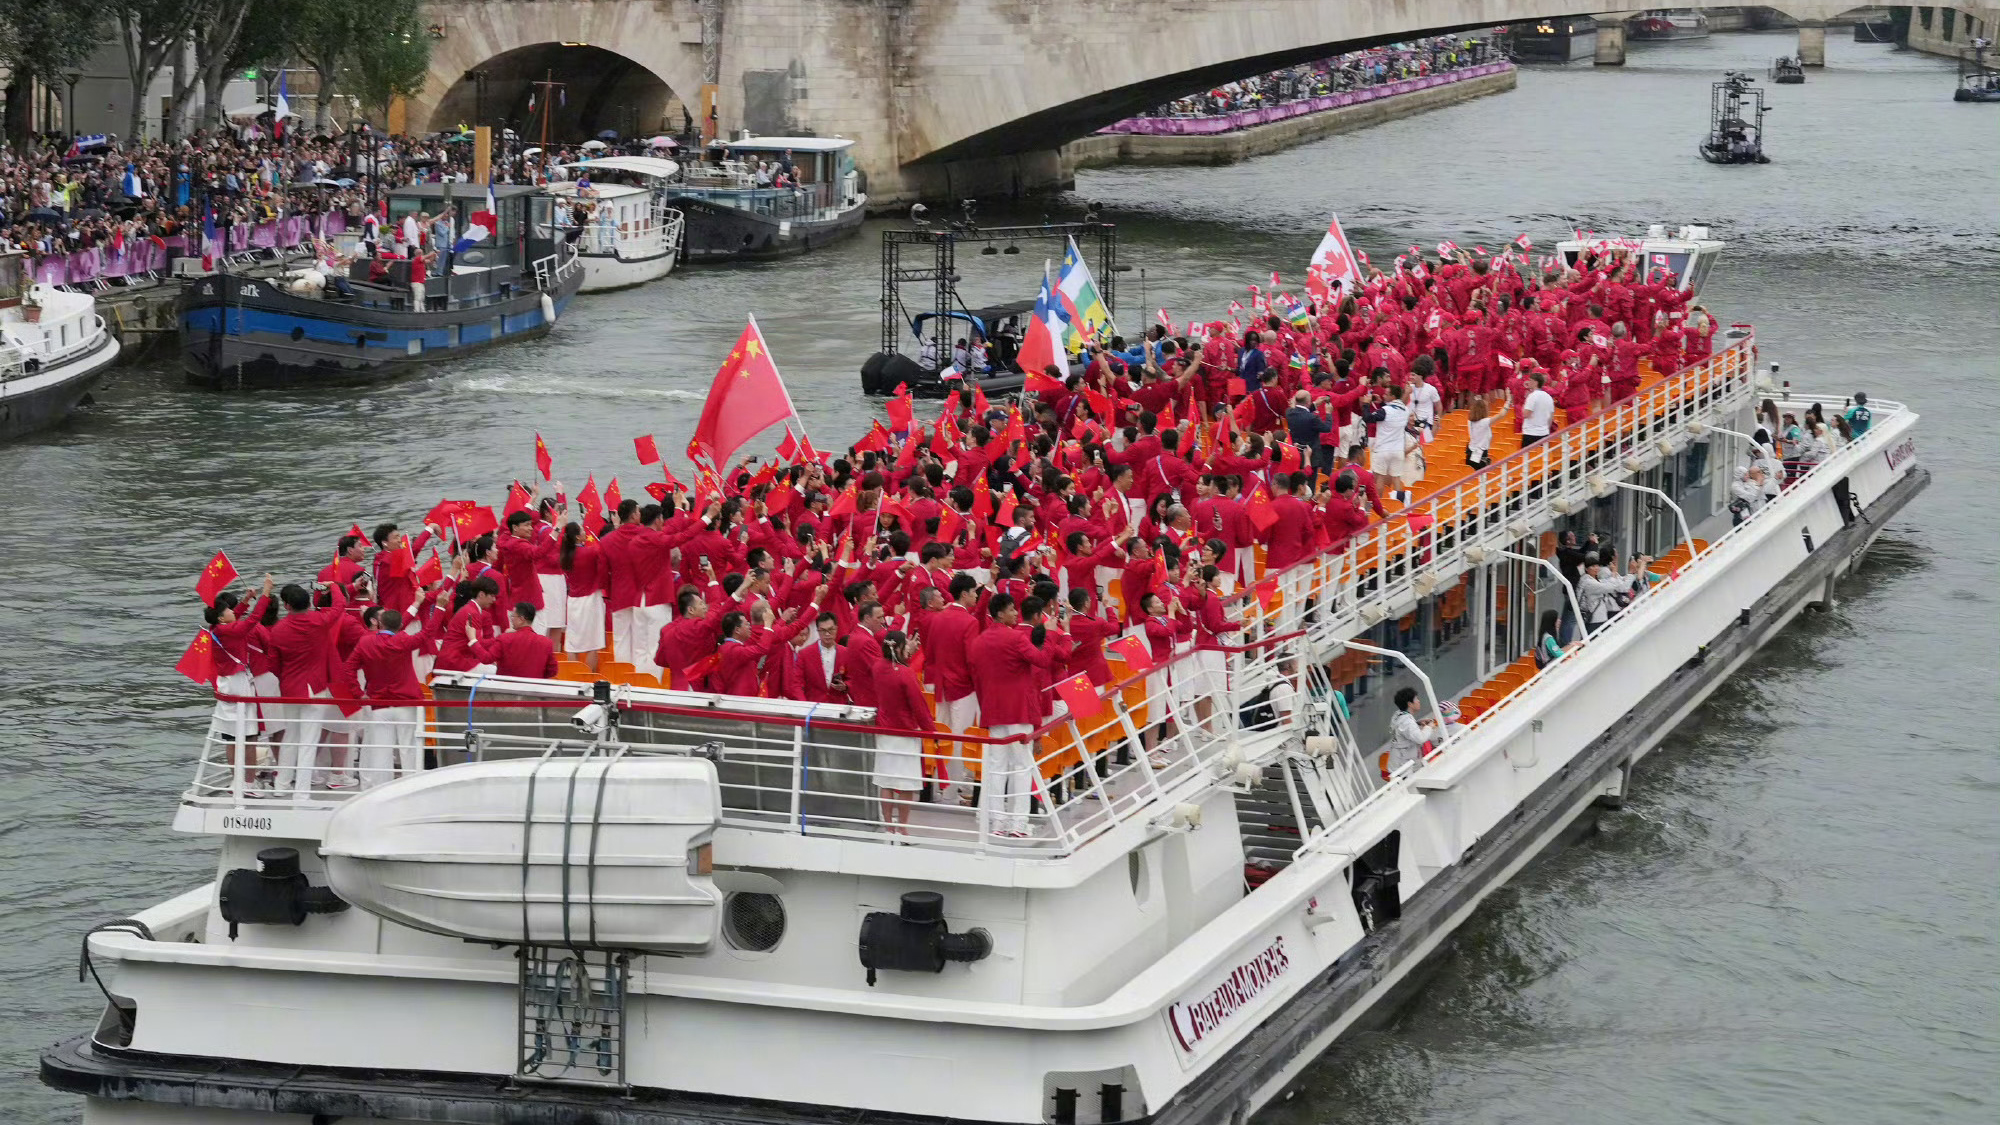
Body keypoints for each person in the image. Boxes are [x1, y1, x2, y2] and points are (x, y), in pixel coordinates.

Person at [968, 594, 1054, 839]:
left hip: (993, 711)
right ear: (1000, 614)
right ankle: (1018, 824)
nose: (1016, 614)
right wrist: (1050, 634)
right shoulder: (1016, 637)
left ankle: (997, 822)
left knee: (996, 769)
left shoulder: (980, 642)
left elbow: (975, 675)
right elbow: (1042, 660)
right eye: (1011, 610)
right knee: (1021, 768)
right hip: (1018, 711)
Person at [869, 631, 933, 837]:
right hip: (905, 733)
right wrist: (931, 730)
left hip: (884, 731)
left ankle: (889, 827)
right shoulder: (905, 674)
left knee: (886, 781)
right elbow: (919, 706)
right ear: (898, 648)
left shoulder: (877, 668)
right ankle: (902, 828)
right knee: (906, 784)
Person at [1385, 687, 1436, 777]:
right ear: (1410, 704)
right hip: (1403, 766)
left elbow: (1402, 730)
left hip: (1399, 762)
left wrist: (1417, 723)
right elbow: (1420, 738)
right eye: (1416, 699)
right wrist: (1429, 727)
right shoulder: (1406, 721)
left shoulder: (1399, 714)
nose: (1419, 701)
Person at [1519, 372, 1555, 445]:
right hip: (1544, 433)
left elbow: (1525, 414)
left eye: (1530, 380)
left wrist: (1523, 406)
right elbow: (1550, 417)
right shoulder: (1548, 397)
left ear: (1535, 382)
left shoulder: (1532, 396)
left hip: (1530, 433)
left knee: (1529, 456)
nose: (1528, 382)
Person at [1465, 397, 1493, 469]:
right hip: (1480, 454)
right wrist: (1508, 402)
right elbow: (1501, 415)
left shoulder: (1470, 422)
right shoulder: (1485, 422)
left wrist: (1478, 402)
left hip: (1471, 452)